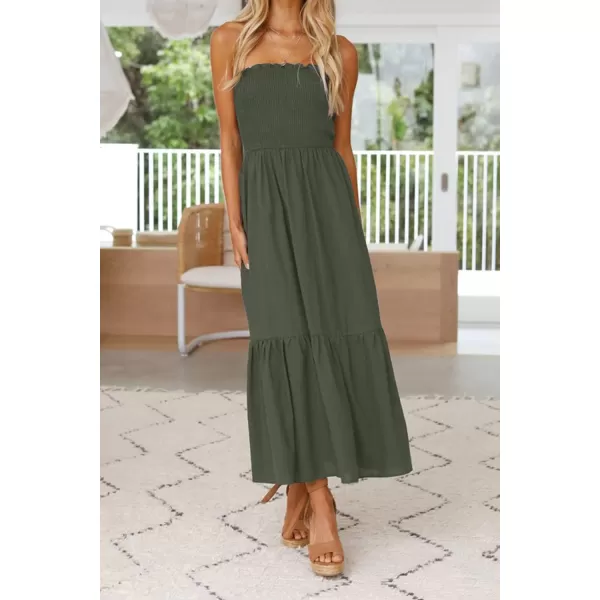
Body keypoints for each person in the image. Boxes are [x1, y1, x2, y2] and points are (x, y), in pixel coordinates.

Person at [210, 0, 412, 577]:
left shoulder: (339, 52)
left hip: (329, 213)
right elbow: (230, 140)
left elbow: (342, 148)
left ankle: (309, 489)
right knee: (283, 336)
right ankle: (319, 497)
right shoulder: (229, 41)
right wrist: (235, 222)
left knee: (333, 334)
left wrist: (353, 227)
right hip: (264, 210)